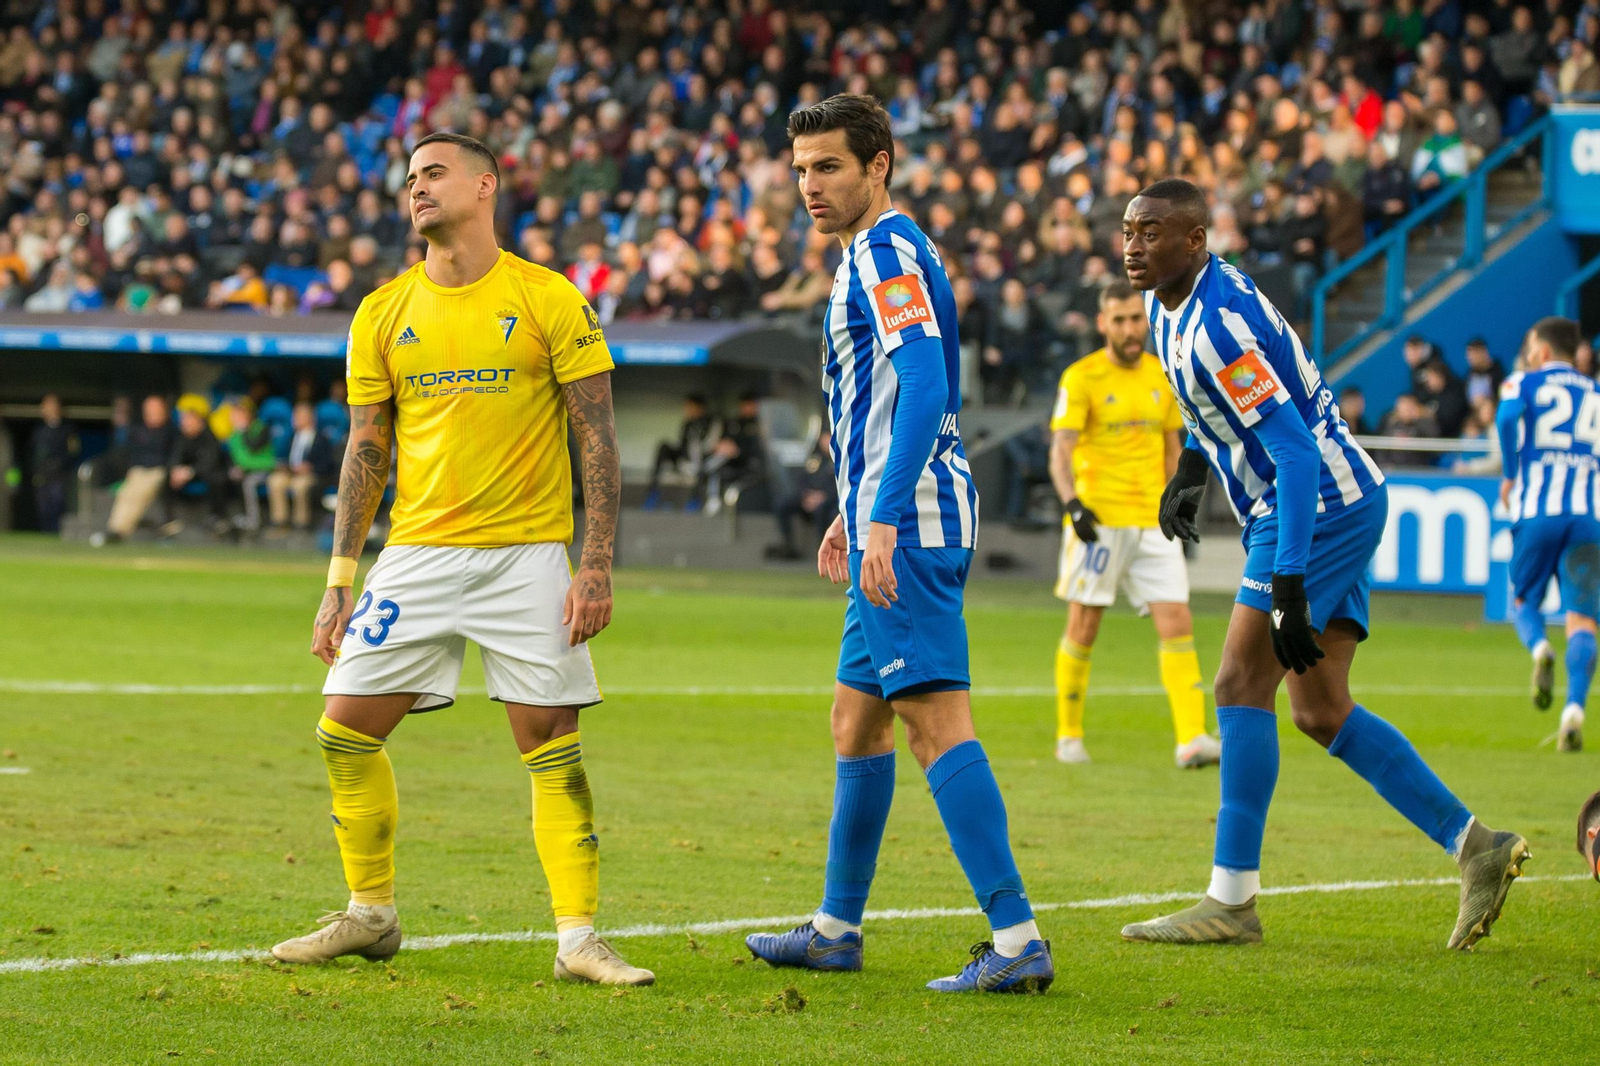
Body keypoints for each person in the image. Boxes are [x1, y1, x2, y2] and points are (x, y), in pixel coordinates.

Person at [271, 132, 651, 986]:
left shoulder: (550, 299)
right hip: (415, 555)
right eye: (410, 178)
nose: (417, 188)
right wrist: (338, 583)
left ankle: (578, 939)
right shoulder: (381, 312)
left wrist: (595, 563)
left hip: (528, 555)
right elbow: (365, 451)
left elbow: (598, 434)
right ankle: (371, 915)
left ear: (486, 185)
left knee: (549, 739)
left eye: (434, 173)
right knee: (343, 728)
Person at [1119, 178, 1527, 950]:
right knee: (1318, 709)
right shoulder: (1167, 305)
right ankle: (1479, 847)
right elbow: (1217, 409)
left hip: (1317, 505)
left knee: (1240, 683)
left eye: (1152, 233)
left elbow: (1297, 454)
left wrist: (1291, 585)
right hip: (1326, 501)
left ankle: (1230, 901)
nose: (1134, 247)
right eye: (1130, 232)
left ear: (1195, 241)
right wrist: (1194, 471)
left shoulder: (1216, 323)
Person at [744, 94, 1053, 993]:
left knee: (934, 726)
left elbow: (924, 384)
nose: (810, 185)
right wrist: (854, 501)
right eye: (800, 169)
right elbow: (889, 395)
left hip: (908, 529)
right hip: (888, 513)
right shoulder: (876, 253)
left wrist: (881, 513)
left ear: (878, 166)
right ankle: (837, 928)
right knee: (857, 718)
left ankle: (1016, 937)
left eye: (829, 166)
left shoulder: (881, 248)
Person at [1048, 280, 1221, 769]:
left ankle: (1191, 738)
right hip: (1098, 519)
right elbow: (1060, 450)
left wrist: (1180, 500)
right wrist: (1073, 505)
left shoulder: (1161, 374)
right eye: (1118, 320)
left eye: (1135, 319)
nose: (1129, 329)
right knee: (1084, 625)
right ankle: (1068, 736)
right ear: (1103, 324)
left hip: (1150, 521)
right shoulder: (1080, 378)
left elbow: (1173, 447)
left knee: (1177, 620)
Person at [1495, 318, 1599, 753]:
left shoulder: (1523, 381)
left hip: (1538, 512)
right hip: (1587, 517)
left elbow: (1506, 417)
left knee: (1524, 600)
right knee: (1583, 619)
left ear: (1540, 350)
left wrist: (1510, 472)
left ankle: (1539, 647)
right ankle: (1574, 708)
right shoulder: (1595, 393)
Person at [90, 394, 175, 546]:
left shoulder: (171, 431)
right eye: (148, 409)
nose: (151, 413)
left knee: (140, 493)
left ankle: (120, 531)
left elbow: (172, 456)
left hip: (158, 471)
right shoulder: (139, 430)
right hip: (138, 470)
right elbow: (131, 453)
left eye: (155, 409)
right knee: (125, 493)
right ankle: (114, 529)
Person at [766, 428, 838, 560]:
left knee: (823, 510)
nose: (826, 441)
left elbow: (841, 485)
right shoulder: (815, 458)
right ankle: (788, 544)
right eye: (824, 438)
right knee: (782, 504)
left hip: (829, 501)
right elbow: (802, 478)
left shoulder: (839, 460)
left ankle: (824, 549)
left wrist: (823, 496)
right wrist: (806, 495)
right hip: (808, 499)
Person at [268, 402, 339, 530]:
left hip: (311, 474)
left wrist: (309, 467)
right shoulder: (291, 437)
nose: (294, 419)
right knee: (275, 481)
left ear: (309, 418)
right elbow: (283, 456)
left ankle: (301, 523)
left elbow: (327, 463)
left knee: (299, 486)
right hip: (290, 472)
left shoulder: (321, 438)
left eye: (299, 416)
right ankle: (280, 521)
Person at [167, 405, 234, 537]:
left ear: (199, 421)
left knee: (216, 478)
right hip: (189, 475)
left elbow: (210, 463)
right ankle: (169, 520)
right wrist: (176, 470)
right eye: (184, 421)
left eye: (189, 421)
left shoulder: (209, 436)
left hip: (210, 473)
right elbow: (174, 458)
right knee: (165, 477)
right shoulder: (182, 438)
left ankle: (218, 518)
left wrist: (190, 472)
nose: (185, 424)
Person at [642, 393, 714, 509]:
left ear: (699, 408)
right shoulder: (688, 424)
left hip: (701, 463)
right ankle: (653, 492)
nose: (688, 410)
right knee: (664, 447)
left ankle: (695, 500)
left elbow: (707, 447)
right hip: (684, 461)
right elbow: (682, 446)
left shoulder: (709, 423)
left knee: (703, 467)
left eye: (691, 407)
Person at [30, 394, 79, 534]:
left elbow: (73, 451)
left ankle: (59, 534)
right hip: (43, 476)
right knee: (44, 509)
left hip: (59, 476)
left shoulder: (67, 429)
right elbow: (34, 453)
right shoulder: (39, 431)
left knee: (58, 507)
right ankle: (46, 534)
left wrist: (59, 464)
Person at [226, 403, 278, 532]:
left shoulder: (261, 428)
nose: (234, 419)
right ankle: (234, 519)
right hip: (246, 469)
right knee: (227, 478)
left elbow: (253, 448)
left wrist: (243, 432)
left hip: (265, 468)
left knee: (249, 482)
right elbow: (236, 456)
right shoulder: (234, 435)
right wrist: (235, 468)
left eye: (237, 416)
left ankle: (253, 522)